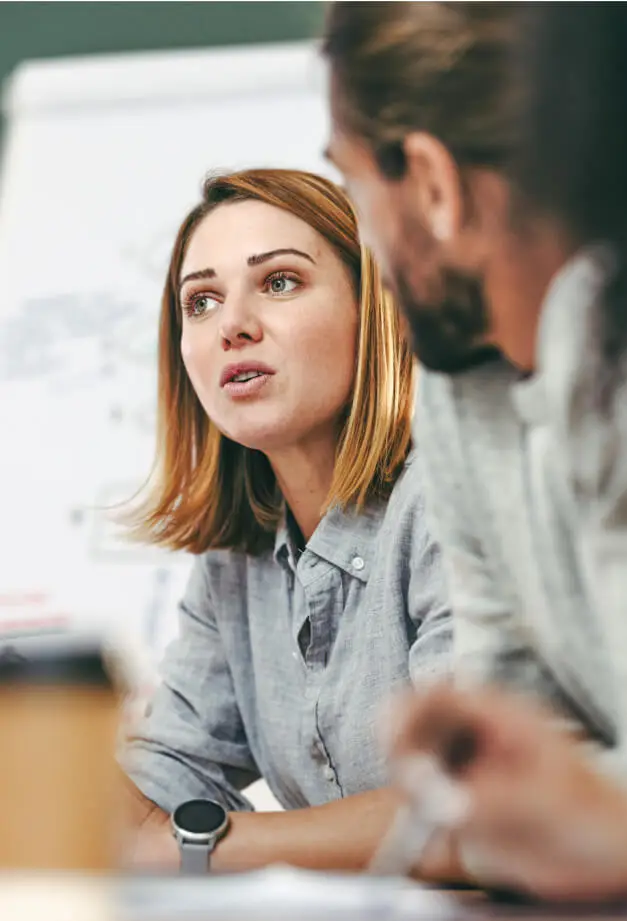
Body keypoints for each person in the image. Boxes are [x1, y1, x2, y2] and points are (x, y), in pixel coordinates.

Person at [323, 1, 627, 901]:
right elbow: (515, 785)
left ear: (432, 183)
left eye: (351, 187)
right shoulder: (461, 389)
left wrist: (578, 819)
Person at [120, 168, 457, 876]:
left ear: (378, 310)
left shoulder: (454, 504)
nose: (233, 326)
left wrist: (204, 845)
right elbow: (164, 781)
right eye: (201, 301)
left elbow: (471, 806)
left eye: (278, 283)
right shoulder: (233, 560)